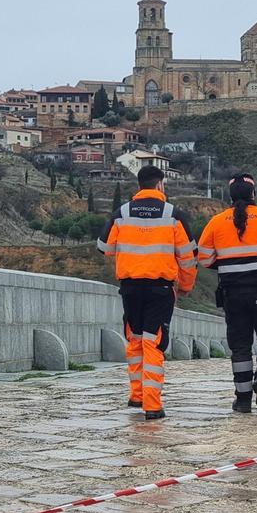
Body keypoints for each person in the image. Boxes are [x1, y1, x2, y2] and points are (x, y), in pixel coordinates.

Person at [97, 166, 197, 420]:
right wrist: (185, 286)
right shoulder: (174, 215)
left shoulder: (122, 213)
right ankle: (152, 405)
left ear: (139, 185)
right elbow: (187, 258)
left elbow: (104, 247)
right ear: (160, 185)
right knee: (153, 342)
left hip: (130, 288)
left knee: (136, 339)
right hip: (160, 289)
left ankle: (137, 394)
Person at [197, 173, 257, 413]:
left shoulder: (217, 222)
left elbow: (204, 257)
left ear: (230, 197)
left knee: (240, 347)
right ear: (254, 194)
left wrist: (227, 263)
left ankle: (242, 400)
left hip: (233, 294)